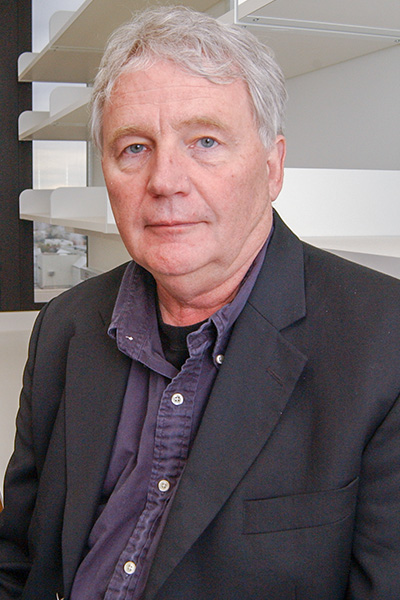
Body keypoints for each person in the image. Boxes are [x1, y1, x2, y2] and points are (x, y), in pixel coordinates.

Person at [1, 6, 400, 600]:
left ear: (271, 167)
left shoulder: (382, 342)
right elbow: (20, 558)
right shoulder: (67, 325)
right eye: (134, 147)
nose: (165, 180)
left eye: (205, 141)